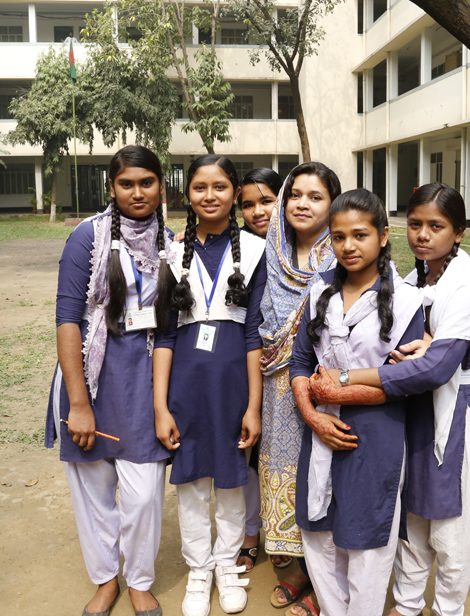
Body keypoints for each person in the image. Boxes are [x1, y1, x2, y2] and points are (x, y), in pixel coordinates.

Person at [310, 183, 470, 616]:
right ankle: (405, 605)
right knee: (412, 520)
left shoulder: (467, 286)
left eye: (436, 226)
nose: (422, 235)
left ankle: (448, 608)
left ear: (458, 232)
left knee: (451, 527)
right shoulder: (416, 276)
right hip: (416, 410)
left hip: (453, 412)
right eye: (416, 224)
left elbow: (436, 368)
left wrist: (345, 376)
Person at [47, 145, 173, 616]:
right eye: (126, 184)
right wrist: (78, 403)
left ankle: (139, 580)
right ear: (112, 187)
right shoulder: (87, 237)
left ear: (162, 186)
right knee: (93, 487)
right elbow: (67, 320)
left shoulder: (173, 241)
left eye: (147, 182)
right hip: (91, 377)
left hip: (144, 377)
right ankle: (106, 580)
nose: (137, 192)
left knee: (143, 495)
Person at [289, 189, 424, 616]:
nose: (349, 246)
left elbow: (403, 381)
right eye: (339, 236)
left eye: (360, 235)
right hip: (321, 432)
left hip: (375, 435)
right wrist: (312, 414)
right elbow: (299, 362)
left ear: (383, 236)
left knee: (367, 539)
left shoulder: (405, 303)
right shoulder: (319, 291)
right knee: (320, 534)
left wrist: (335, 391)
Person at [154, 154, 267, 616]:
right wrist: (161, 406)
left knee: (231, 481)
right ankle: (198, 570)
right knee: (191, 482)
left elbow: (254, 333)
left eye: (220, 186)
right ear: (188, 195)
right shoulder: (172, 254)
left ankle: (226, 563)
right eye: (199, 187)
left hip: (233, 390)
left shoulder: (256, 253)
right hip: (185, 388)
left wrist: (253, 406)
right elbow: (163, 336)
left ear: (235, 193)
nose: (209, 195)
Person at [257, 162, 340, 612]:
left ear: (333, 205)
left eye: (315, 196)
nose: (302, 204)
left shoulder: (347, 251)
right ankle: (296, 573)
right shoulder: (270, 254)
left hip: (329, 390)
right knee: (283, 475)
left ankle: (326, 584)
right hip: (277, 389)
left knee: (325, 478)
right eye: (295, 195)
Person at [226, 167, 283, 573]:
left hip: (289, 373)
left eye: (267, 200)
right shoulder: (238, 248)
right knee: (247, 454)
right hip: (243, 367)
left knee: (279, 456)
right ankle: (250, 535)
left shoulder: (301, 249)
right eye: (248, 204)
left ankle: (282, 533)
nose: (258, 211)